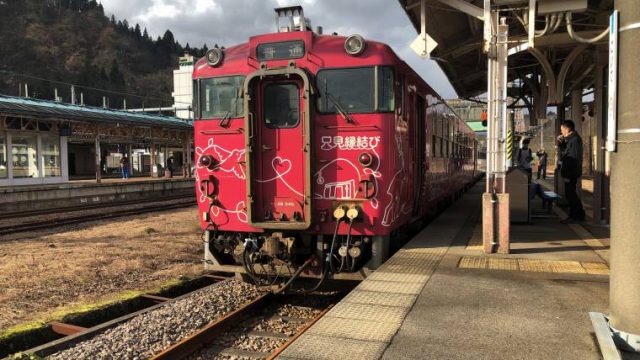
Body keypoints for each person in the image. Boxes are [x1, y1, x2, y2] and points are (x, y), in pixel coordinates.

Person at [557, 120, 585, 223]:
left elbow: (571, 158)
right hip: (571, 171)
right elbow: (566, 153)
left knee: (571, 194)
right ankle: (577, 215)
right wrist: (561, 143)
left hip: (571, 172)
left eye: (562, 129)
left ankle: (577, 216)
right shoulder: (571, 140)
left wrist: (567, 174)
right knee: (570, 194)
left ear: (567, 129)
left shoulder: (574, 140)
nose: (561, 132)